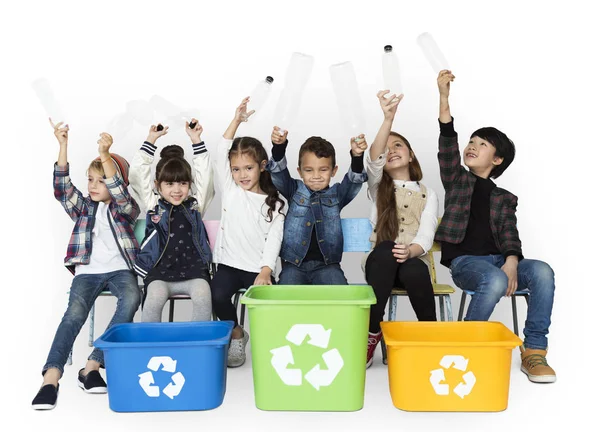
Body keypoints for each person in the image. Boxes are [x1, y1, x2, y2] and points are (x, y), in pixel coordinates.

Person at [435, 70, 556, 383]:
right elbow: (448, 144)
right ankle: (466, 348)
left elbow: (509, 235)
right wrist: (444, 98)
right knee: (493, 279)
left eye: (482, 143)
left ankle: (534, 352)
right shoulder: (457, 180)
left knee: (542, 271)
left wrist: (512, 261)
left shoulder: (504, 197)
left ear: (498, 159)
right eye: (471, 142)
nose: (472, 146)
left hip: (500, 262)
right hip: (467, 263)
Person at [32, 120, 141, 410]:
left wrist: (106, 155)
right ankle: (51, 377)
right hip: (88, 271)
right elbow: (62, 188)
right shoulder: (83, 208)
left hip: (120, 270)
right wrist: (63, 145)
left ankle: (92, 366)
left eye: (101, 180)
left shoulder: (126, 208)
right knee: (74, 313)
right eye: (90, 179)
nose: (93, 186)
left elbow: (120, 192)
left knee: (131, 298)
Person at [364, 91, 439, 368]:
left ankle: (428, 334)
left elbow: (427, 233)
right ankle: (372, 333)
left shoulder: (427, 193)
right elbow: (373, 159)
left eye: (399, 146)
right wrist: (388, 118)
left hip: (410, 259)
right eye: (388, 148)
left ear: (411, 155)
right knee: (385, 249)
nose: (392, 150)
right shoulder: (377, 187)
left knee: (417, 268)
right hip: (380, 266)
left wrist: (412, 251)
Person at [211, 97, 286, 367]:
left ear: (262, 166)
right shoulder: (231, 191)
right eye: (236, 169)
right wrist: (236, 120)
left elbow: (274, 240)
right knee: (217, 295)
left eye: (249, 168)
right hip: (229, 265)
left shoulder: (276, 201)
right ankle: (236, 333)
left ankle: (274, 345)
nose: (242, 174)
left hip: (258, 268)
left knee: (270, 305)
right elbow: (221, 150)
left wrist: (266, 271)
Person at [131, 120, 213, 323]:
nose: (177, 190)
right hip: (160, 271)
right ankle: (151, 346)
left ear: (190, 185)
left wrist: (196, 140)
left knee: (204, 295)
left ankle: (198, 345)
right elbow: (137, 175)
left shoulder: (195, 205)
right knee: (154, 297)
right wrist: (151, 140)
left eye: (183, 183)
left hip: (193, 271)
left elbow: (206, 178)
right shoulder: (153, 205)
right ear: (157, 185)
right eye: (169, 184)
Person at [266, 122, 368, 284]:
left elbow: (354, 182)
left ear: (333, 171)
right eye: (309, 170)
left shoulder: (337, 194)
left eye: (323, 169)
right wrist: (278, 147)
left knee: (341, 295)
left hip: (327, 266)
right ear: (299, 171)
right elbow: (278, 173)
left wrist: (357, 157)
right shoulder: (294, 190)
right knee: (285, 297)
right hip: (293, 265)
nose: (316, 176)